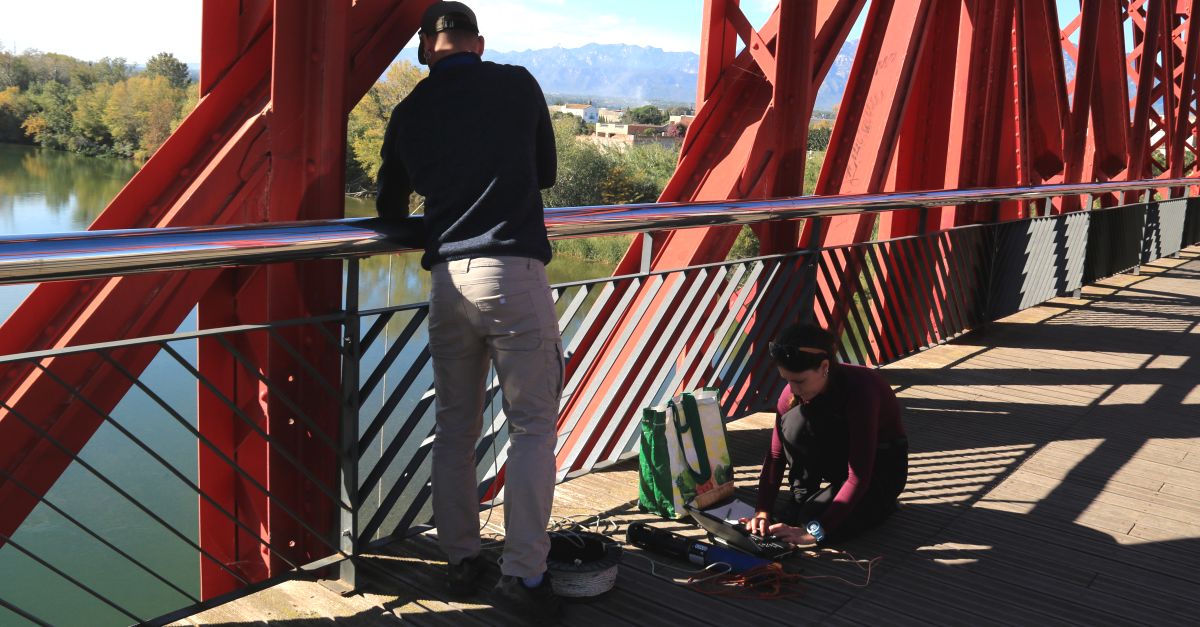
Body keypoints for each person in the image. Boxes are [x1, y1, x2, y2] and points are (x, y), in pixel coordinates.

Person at [375, 1, 563, 620]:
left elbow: (388, 206)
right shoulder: (517, 83)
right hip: (513, 274)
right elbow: (544, 174)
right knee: (531, 428)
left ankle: (461, 560)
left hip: (447, 282)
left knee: (455, 426)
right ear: (478, 43)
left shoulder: (410, 108)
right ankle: (524, 578)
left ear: (425, 50)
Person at [745, 322, 908, 547]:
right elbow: (775, 456)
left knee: (811, 521)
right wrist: (762, 510)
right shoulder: (793, 391)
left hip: (880, 468)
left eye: (799, 381)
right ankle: (801, 497)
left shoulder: (861, 390)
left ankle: (882, 504)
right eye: (787, 379)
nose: (793, 389)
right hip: (842, 458)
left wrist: (814, 533)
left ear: (824, 367)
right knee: (794, 422)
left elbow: (859, 476)